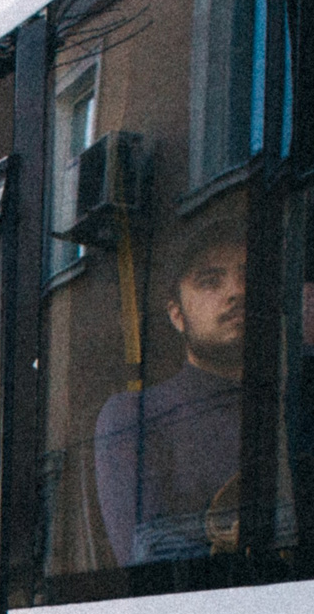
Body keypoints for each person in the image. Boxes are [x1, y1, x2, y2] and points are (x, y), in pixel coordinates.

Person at [94, 235, 247, 565]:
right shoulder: (136, 416)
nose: (237, 291)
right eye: (210, 282)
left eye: (249, 276)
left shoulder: (305, 397)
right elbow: (149, 562)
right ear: (177, 315)